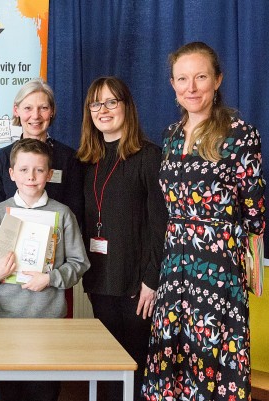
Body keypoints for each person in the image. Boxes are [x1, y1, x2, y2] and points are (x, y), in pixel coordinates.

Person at [143, 42, 265, 401]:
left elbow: (255, 210)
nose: (191, 87)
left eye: (200, 77)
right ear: (172, 84)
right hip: (174, 262)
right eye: (183, 79)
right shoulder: (170, 136)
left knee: (212, 353)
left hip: (217, 267)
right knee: (172, 353)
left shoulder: (240, 134)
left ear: (217, 80)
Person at [76, 76, 167, 400]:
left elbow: (161, 225)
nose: (103, 110)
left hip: (136, 287)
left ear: (127, 107)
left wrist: (151, 281)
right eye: (96, 103)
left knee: (133, 368)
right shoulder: (85, 161)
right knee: (107, 368)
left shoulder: (149, 157)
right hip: (100, 281)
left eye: (112, 102)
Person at [0, 138, 90, 401]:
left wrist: (50, 278)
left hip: (48, 322)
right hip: (5, 321)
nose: (31, 177)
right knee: (9, 393)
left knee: (45, 392)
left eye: (39, 170)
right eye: (24, 170)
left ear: (50, 174)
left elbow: (79, 263)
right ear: (11, 173)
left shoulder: (63, 214)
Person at [0, 78, 84, 227]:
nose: (36, 116)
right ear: (16, 110)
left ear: (52, 111)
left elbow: (75, 214)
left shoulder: (69, 158)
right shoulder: (3, 158)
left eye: (43, 108)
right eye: (28, 108)